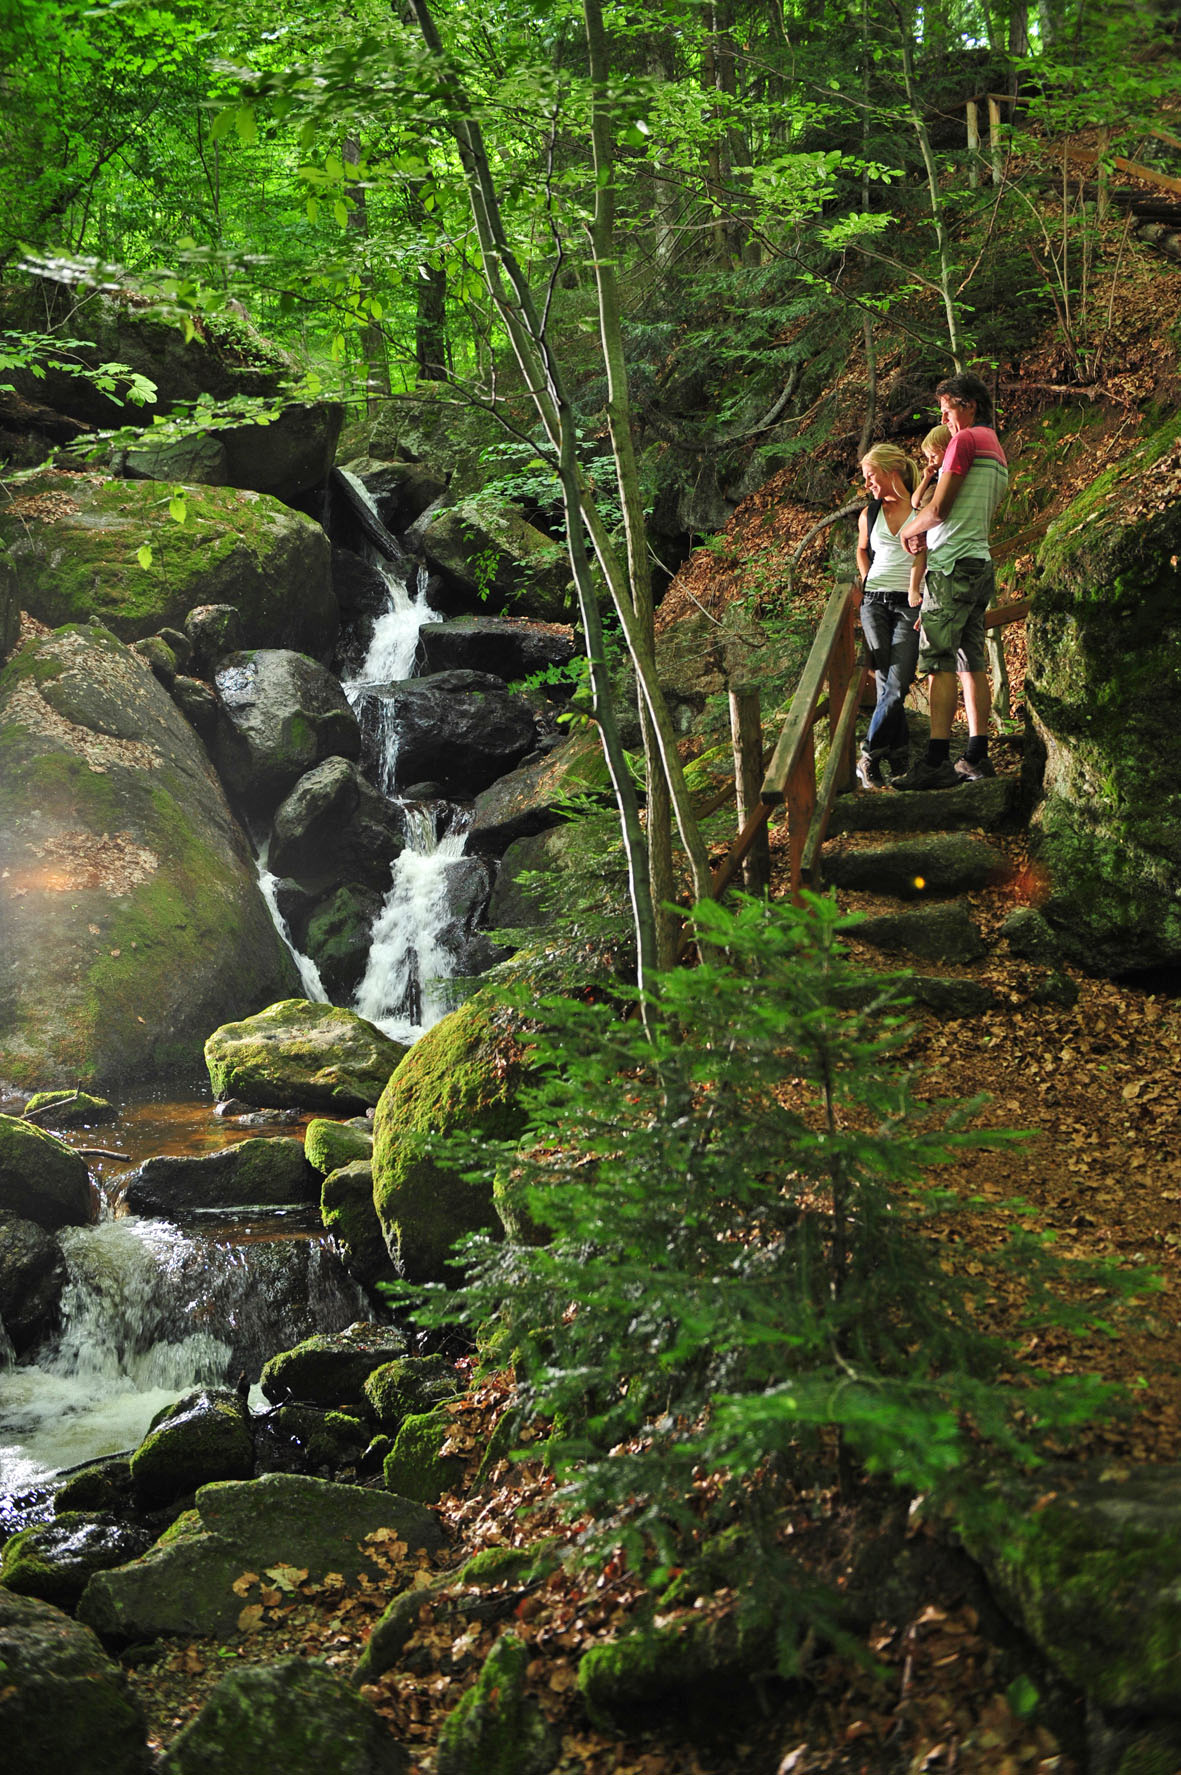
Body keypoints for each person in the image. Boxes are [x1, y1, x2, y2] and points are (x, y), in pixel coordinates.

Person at [894, 375, 1008, 791]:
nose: (943, 417)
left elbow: (938, 509)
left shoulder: (965, 441)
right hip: (979, 563)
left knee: (938, 659)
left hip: (951, 567)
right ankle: (976, 755)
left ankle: (937, 761)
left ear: (970, 405)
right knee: (970, 660)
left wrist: (910, 531)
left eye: (947, 408)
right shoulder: (997, 449)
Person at [854, 443, 923, 789]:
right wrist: (866, 577)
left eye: (871, 477)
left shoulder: (920, 506)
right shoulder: (870, 512)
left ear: (891, 469)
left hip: (910, 604)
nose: (869, 485)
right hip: (875, 603)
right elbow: (862, 548)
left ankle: (868, 754)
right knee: (886, 681)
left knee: (897, 683)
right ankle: (898, 754)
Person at [904, 424, 951, 614]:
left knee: (925, 553)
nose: (930, 461)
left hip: (934, 521)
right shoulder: (933, 477)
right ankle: (913, 587)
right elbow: (914, 502)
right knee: (920, 553)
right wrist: (925, 478)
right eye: (928, 457)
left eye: (934, 455)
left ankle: (918, 590)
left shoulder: (948, 476)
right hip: (921, 517)